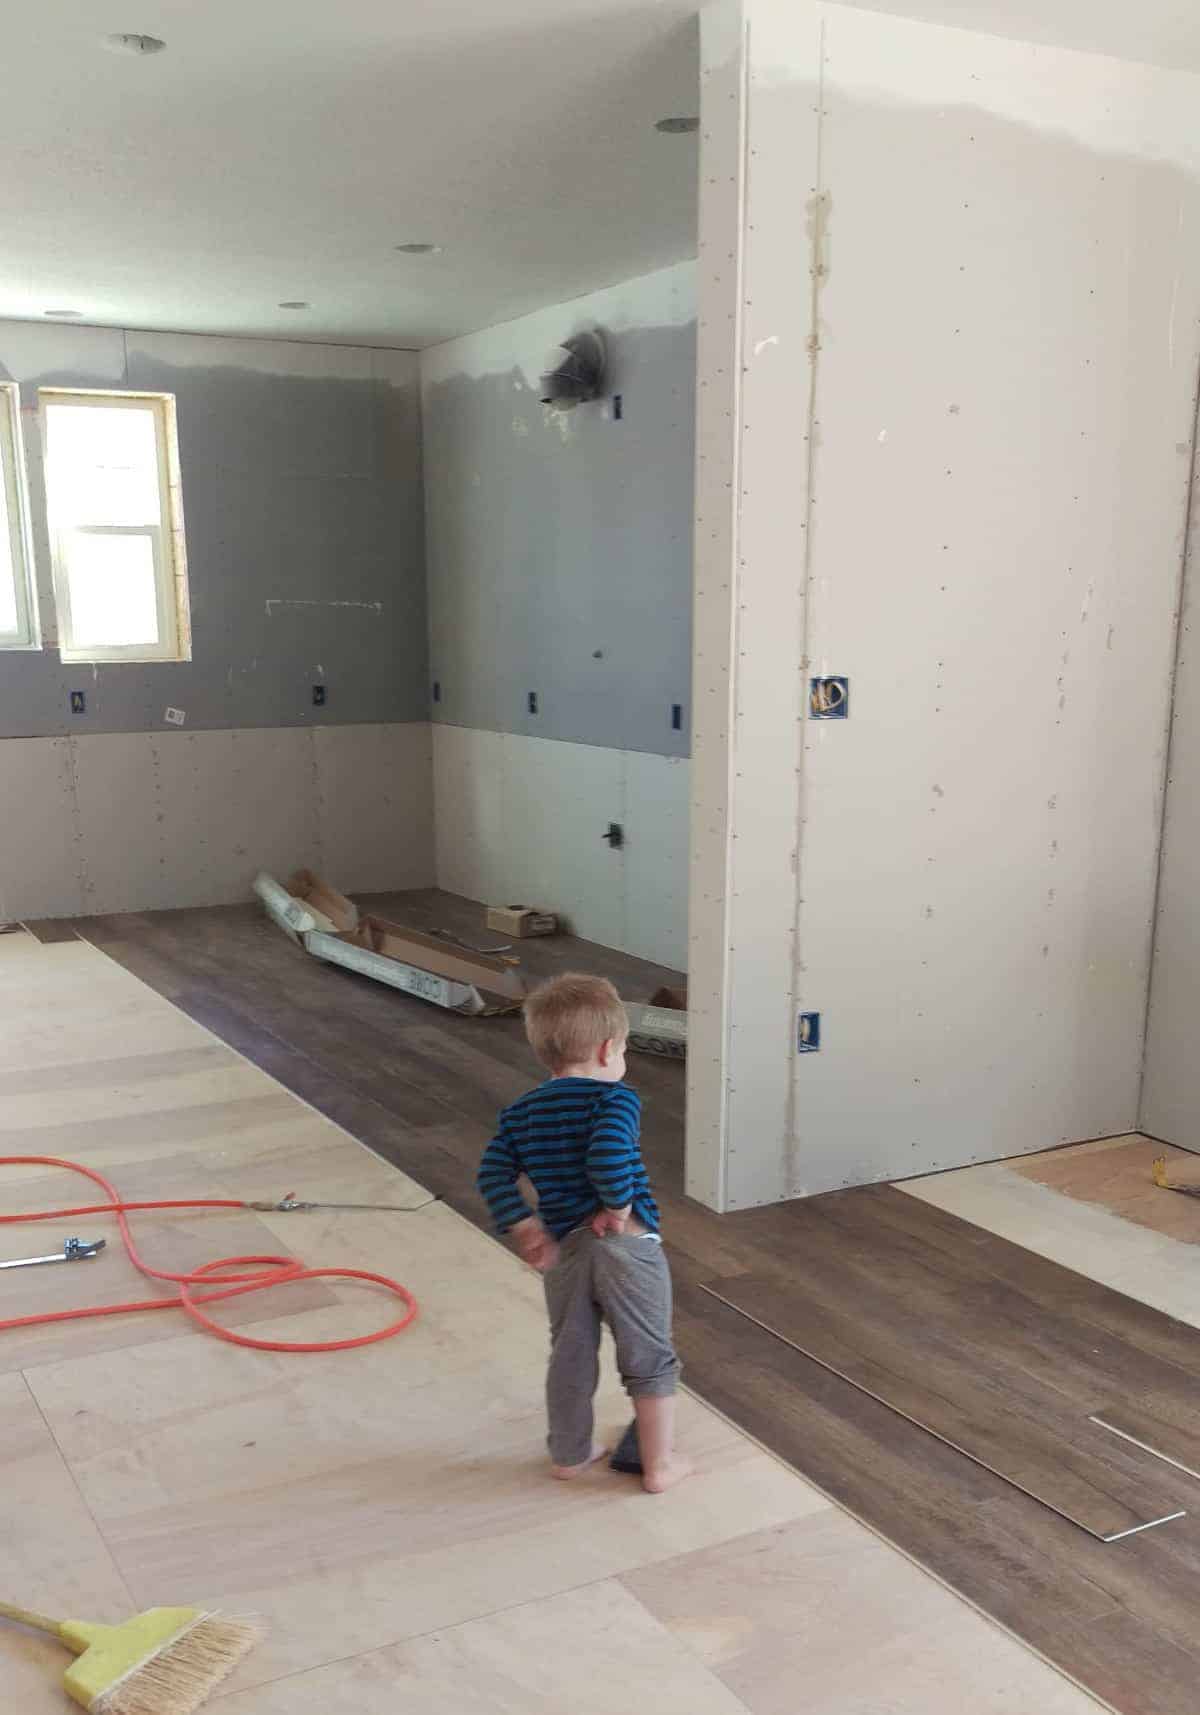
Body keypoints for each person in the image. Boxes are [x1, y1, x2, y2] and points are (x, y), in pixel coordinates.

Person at [477, 972, 691, 1494]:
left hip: (564, 1250)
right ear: (607, 1049)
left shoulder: (521, 1113)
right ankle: (659, 1467)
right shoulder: (614, 1100)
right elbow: (609, 1153)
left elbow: (491, 1174)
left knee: (570, 1352)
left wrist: (525, 1225)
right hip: (626, 1247)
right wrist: (617, 1207)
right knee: (648, 1356)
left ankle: (570, 1454)